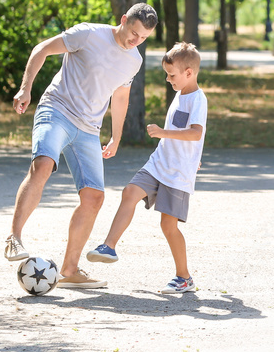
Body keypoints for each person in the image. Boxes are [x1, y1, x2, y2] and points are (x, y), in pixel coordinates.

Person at [4, 4, 157, 289]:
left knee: (94, 197)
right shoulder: (88, 34)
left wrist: (116, 136)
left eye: (143, 38)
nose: (136, 41)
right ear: (123, 20)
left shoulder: (133, 60)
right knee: (43, 166)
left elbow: (120, 97)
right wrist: (26, 88)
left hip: (89, 129)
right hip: (57, 110)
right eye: (134, 33)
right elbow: (42, 49)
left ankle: (70, 270)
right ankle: (14, 238)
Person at [86, 42, 207, 294]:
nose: (167, 79)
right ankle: (109, 246)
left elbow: (196, 133)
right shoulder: (180, 93)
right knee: (130, 191)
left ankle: (184, 277)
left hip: (177, 173)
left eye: (171, 75)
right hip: (159, 162)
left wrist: (164, 133)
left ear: (189, 73)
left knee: (168, 226)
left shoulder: (198, 99)